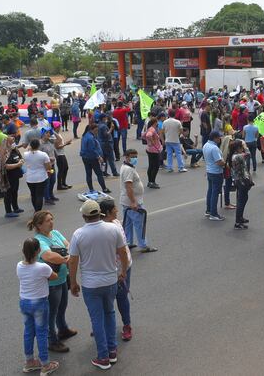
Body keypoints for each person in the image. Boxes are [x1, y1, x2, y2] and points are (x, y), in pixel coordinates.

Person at [67, 200, 130, 370]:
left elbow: (72, 261)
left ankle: (103, 357)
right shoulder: (113, 229)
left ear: (84, 216)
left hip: (91, 284)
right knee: (109, 313)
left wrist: (73, 283)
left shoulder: (78, 234)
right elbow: (123, 251)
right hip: (111, 281)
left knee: (97, 319)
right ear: (100, 213)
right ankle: (112, 351)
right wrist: (123, 271)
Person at [28, 211, 76, 354]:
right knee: (51, 313)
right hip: (51, 284)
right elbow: (49, 256)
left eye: (52, 219)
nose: (51, 222)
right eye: (48, 220)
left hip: (62, 277)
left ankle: (63, 329)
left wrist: (64, 255)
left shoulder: (55, 233)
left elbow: (69, 245)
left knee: (62, 307)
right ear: (39, 225)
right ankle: (52, 341)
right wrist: (66, 258)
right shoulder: (39, 240)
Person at [17, 237, 60, 375]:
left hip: (24, 302)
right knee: (42, 333)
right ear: (38, 250)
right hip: (39, 303)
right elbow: (54, 276)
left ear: (23, 251)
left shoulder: (19, 265)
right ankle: (45, 364)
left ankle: (29, 362)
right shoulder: (42, 267)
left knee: (28, 332)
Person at [99, 200, 134, 343]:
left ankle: (127, 325)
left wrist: (123, 271)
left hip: (120, 268)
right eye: (114, 209)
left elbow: (123, 252)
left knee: (121, 297)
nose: (117, 211)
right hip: (109, 269)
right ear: (107, 213)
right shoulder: (103, 227)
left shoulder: (114, 225)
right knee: (105, 300)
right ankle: (102, 326)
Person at [119, 148, 157, 253]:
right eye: (132, 157)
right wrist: (133, 202)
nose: (135, 159)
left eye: (136, 157)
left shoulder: (127, 167)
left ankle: (128, 242)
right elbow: (129, 187)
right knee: (139, 223)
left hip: (126, 201)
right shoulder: (128, 170)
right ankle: (143, 245)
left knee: (128, 223)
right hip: (132, 202)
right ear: (126, 157)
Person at [0, 135, 25, 217]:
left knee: (14, 192)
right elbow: (5, 166)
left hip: (15, 176)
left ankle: (15, 208)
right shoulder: (4, 152)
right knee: (8, 194)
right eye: (11, 141)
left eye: (13, 141)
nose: (13, 142)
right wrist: (17, 164)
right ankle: (8, 211)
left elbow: (21, 158)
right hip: (8, 176)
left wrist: (21, 161)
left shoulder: (14, 150)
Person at [229, 140, 253, 230]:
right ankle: (238, 222)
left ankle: (240, 218)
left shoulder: (234, 156)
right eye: (241, 147)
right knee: (241, 201)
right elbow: (248, 154)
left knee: (242, 199)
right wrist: (245, 146)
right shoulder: (238, 156)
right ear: (238, 148)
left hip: (238, 179)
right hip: (242, 180)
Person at [24, 138, 53, 212]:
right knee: (39, 195)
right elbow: (48, 167)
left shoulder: (26, 154)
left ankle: (36, 210)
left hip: (30, 178)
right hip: (41, 177)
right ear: (38, 145)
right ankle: (38, 211)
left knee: (33, 195)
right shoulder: (43, 155)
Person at [80, 123, 110, 193]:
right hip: (92, 158)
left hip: (85, 157)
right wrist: (99, 157)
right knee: (99, 173)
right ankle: (104, 188)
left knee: (88, 174)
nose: (97, 132)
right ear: (92, 130)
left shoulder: (85, 136)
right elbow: (92, 149)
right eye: (96, 130)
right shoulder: (90, 138)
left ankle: (91, 189)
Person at [203, 130, 226, 220]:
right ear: (215, 138)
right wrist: (225, 163)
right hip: (216, 172)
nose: (220, 139)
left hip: (209, 171)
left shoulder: (206, 145)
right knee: (215, 193)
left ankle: (209, 210)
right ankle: (213, 213)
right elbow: (219, 162)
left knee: (210, 191)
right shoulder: (214, 148)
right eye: (219, 137)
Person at [40, 129, 59, 205]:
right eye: (47, 133)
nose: (48, 134)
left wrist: (53, 132)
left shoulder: (50, 141)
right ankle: (47, 198)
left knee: (53, 180)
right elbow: (39, 155)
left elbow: (59, 139)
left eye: (49, 133)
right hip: (46, 167)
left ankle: (51, 195)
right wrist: (49, 158)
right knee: (47, 182)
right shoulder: (40, 144)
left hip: (52, 165)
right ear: (42, 134)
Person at [52, 122, 72, 190]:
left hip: (62, 153)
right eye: (59, 127)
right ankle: (59, 185)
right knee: (61, 170)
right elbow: (57, 147)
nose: (60, 128)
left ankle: (63, 183)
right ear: (55, 127)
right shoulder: (54, 135)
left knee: (66, 168)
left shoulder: (58, 134)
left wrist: (65, 143)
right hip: (59, 155)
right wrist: (66, 144)